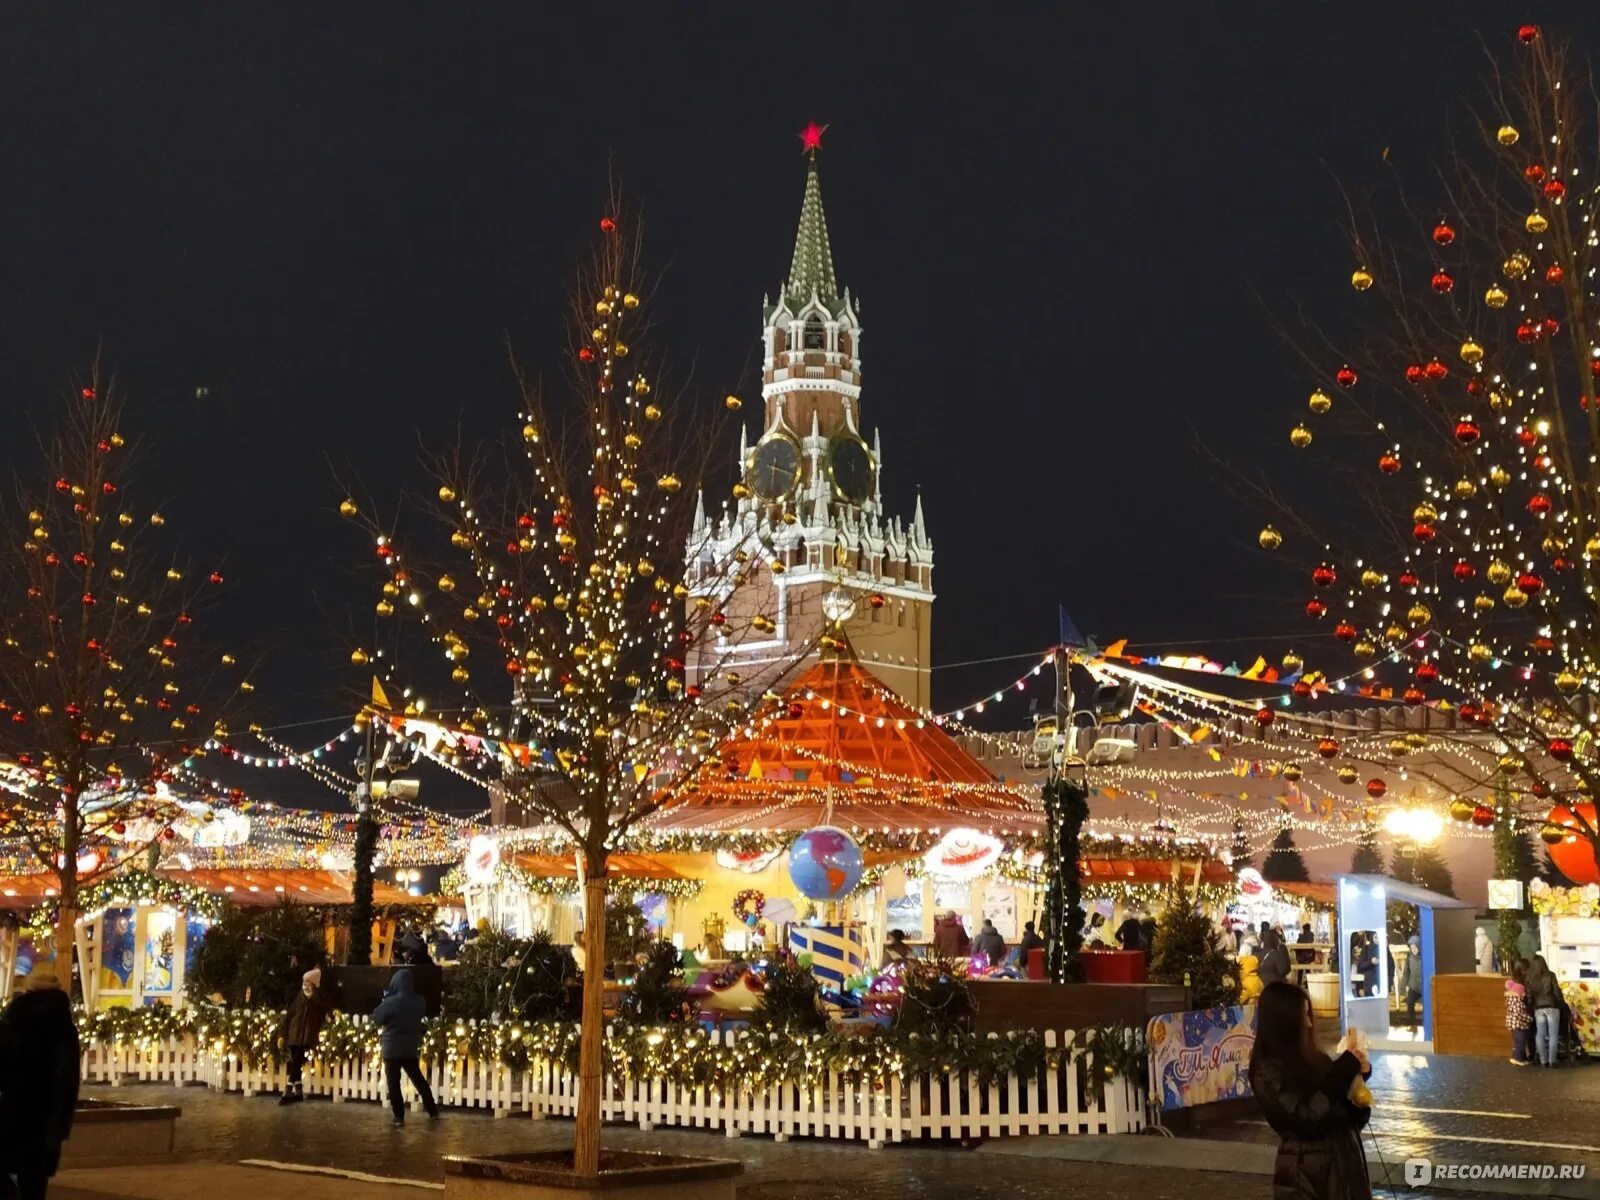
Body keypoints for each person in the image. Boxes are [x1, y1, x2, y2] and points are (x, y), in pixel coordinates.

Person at [1250, 981, 1373, 1200]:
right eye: (1303, 1016)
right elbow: (1307, 1118)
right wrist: (1342, 1072)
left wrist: (1356, 1083)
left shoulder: (1315, 1059)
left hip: (1343, 1170)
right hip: (1307, 1176)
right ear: (1285, 1023)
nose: (1309, 1024)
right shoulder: (1268, 1072)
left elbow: (1345, 1116)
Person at [0, 972, 81, 1200]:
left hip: (14, 1107)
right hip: (49, 1114)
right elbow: (70, 1078)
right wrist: (63, 1120)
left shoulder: (14, 1023)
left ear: (28, 991)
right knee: (35, 1180)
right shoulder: (65, 1028)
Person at [371, 968, 438, 1127]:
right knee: (418, 1080)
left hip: (392, 1048)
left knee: (394, 1084)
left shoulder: (391, 1002)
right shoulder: (419, 1001)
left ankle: (399, 1116)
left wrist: (385, 1001)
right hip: (409, 1047)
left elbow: (377, 1018)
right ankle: (432, 1109)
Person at [279, 967, 331, 1105]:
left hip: (306, 1037)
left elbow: (323, 1012)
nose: (305, 984)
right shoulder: (298, 998)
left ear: (313, 984)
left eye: (308, 982)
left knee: (296, 1063)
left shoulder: (317, 1000)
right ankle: (298, 1092)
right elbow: (289, 1017)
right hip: (294, 1035)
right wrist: (283, 1035)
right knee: (295, 1063)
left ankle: (288, 1091)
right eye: (304, 981)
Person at [1525, 953, 1562, 1067]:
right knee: (1553, 1035)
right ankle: (1552, 1061)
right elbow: (1556, 991)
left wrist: (1531, 1007)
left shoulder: (1530, 978)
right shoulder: (1550, 975)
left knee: (1540, 1034)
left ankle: (1543, 1060)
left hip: (1538, 1008)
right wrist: (1561, 1003)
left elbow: (1529, 996)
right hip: (1552, 1006)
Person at [1505, 961, 1532, 1066]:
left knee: (1517, 1041)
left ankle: (1518, 1057)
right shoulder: (1518, 1002)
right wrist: (1529, 1019)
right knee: (1521, 1041)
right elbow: (1519, 1013)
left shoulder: (1510, 999)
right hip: (1519, 1024)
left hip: (1512, 1023)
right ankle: (1517, 1058)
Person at [1397, 936, 1422, 1030]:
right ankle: (1413, 1024)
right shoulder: (1409, 957)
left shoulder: (1424, 957)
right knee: (1410, 1002)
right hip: (1414, 986)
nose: (1414, 950)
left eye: (1415, 947)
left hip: (1423, 986)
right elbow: (1406, 972)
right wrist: (1402, 987)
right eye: (1412, 948)